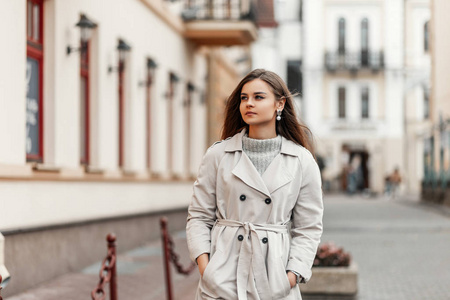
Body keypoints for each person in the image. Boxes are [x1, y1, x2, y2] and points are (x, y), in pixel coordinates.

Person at [186, 69, 324, 299]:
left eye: (258, 97)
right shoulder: (218, 154)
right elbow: (199, 216)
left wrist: (290, 276)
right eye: (244, 98)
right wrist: (206, 268)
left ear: (279, 104)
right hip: (223, 275)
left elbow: (308, 228)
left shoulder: (301, 160)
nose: (249, 103)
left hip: (274, 278)